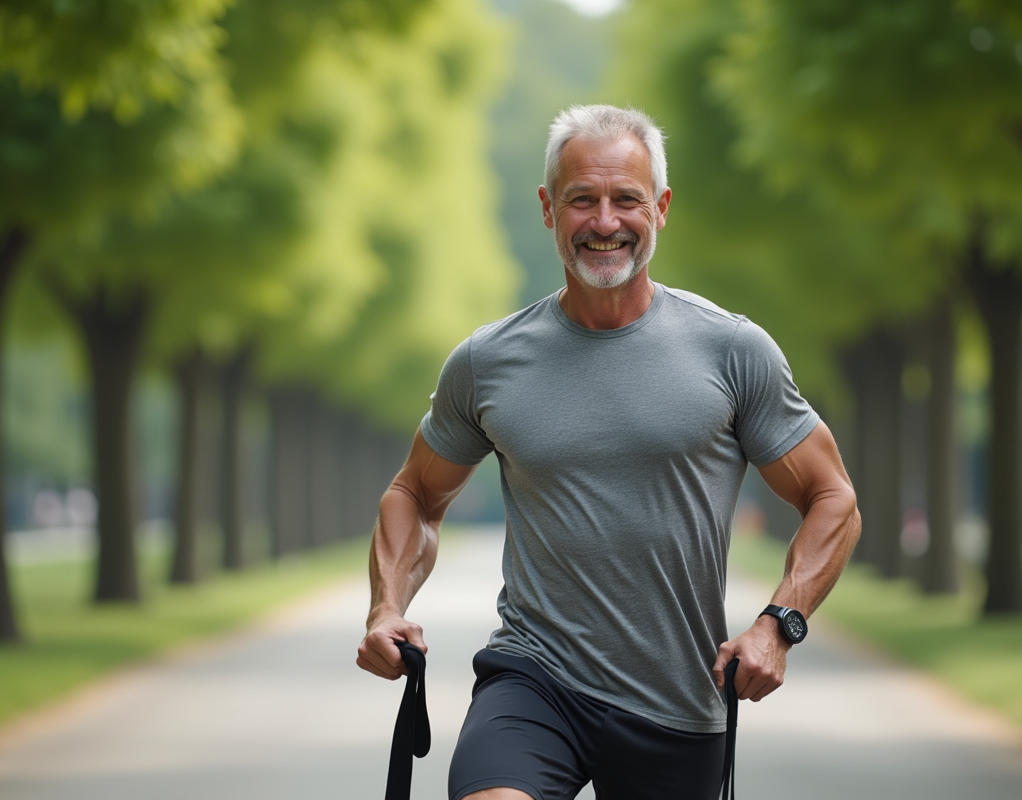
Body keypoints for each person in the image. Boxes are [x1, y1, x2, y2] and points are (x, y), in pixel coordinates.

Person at [357, 104, 861, 800]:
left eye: (626, 198)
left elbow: (833, 498)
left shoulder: (733, 350)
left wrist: (780, 624)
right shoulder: (487, 361)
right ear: (547, 209)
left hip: (679, 703)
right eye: (581, 200)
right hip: (533, 679)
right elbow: (415, 491)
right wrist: (386, 608)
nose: (603, 222)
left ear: (661, 207)